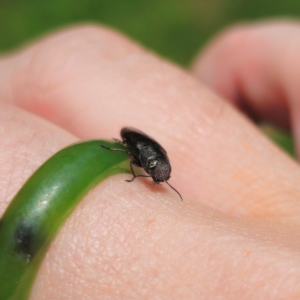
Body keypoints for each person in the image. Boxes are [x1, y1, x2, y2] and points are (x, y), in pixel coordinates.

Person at [0, 20, 300, 299]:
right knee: (127, 154)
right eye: (156, 175)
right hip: (132, 139)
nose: (156, 179)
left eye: (158, 176)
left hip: (142, 143)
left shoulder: (155, 163)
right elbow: (135, 154)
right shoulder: (143, 158)